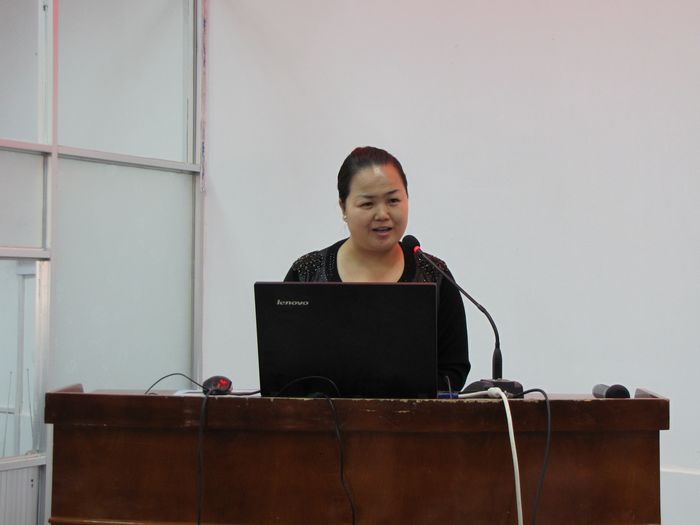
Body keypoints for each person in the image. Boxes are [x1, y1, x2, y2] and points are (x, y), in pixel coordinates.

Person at [285, 146, 470, 391]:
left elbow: (453, 370)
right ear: (343, 207)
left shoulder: (435, 275)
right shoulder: (307, 273)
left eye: (393, 200)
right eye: (367, 203)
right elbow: (285, 371)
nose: (382, 214)